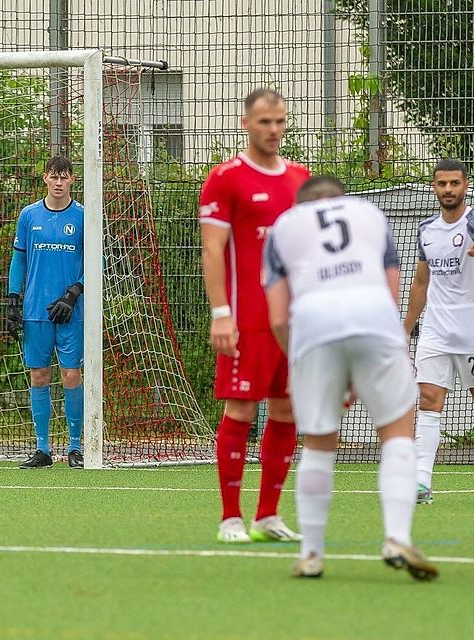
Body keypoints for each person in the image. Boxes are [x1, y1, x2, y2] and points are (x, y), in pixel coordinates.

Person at [264, 176, 438, 580]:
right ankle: (397, 537)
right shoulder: (371, 214)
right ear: (342, 199)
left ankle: (311, 554)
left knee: (319, 442)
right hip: (374, 317)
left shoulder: (283, 227)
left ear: (301, 203)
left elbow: (276, 316)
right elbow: (392, 288)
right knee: (397, 432)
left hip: (313, 324)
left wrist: (300, 361)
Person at [199, 88, 310, 543]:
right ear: (245, 123)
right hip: (245, 320)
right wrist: (221, 313)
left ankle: (268, 515)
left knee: (288, 410)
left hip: (294, 320)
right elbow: (212, 249)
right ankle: (230, 517)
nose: (274, 130)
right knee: (241, 407)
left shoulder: (301, 180)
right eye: (265, 122)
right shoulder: (225, 178)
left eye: (280, 121)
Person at [405, 158, 474, 504]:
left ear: (465, 185)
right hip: (435, 332)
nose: (448, 189)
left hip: (472, 332)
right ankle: (422, 482)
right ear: (434, 187)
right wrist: (404, 331)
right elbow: (421, 282)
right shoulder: (426, 230)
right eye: (442, 184)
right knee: (428, 401)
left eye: (455, 183)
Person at [7, 156, 86, 469]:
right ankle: (42, 449)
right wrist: (13, 300)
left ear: (72, 181)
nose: (58, 182)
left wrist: (73, 293)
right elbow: (19, 261)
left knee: (71, 375)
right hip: (36, 311)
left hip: (71, 312)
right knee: (39, 376)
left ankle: (76, 448)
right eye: (53, 177)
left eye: (63, 177)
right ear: (44, 179)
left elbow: (97, 263)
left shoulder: (83, 216)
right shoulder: (29, 216)